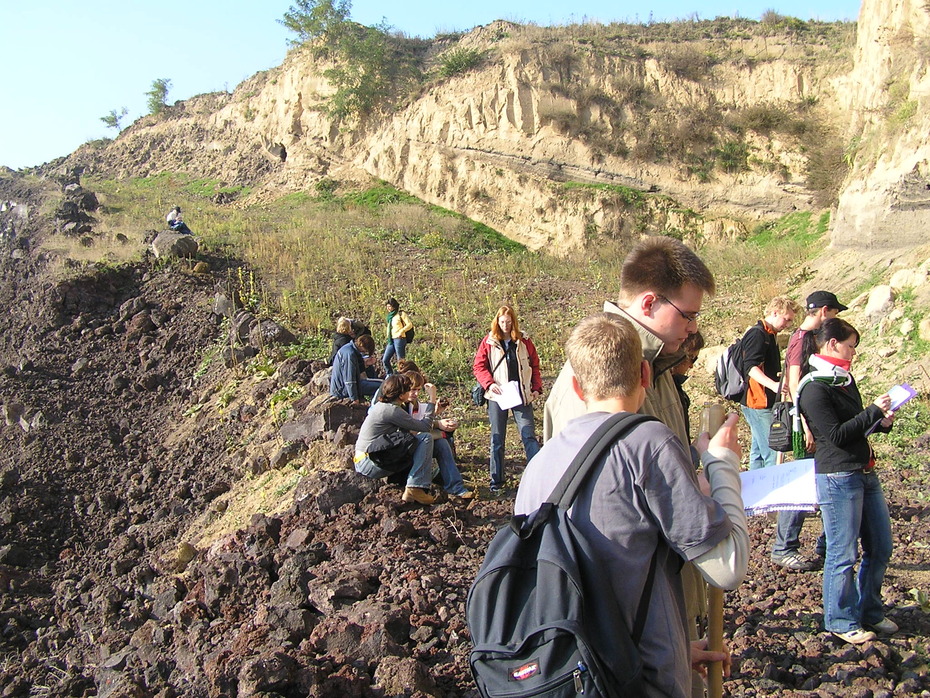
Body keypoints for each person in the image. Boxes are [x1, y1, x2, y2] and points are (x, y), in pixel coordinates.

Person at [516, 313, 749, 697]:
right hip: (643, 683)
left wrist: (676, 649)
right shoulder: (649, 444)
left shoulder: (538, 467)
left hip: (578, 676)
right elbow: (727, 568)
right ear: (645, 373)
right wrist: (723, 465)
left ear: (576, 387)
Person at [542, 236, 718, 697]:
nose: (693, 328)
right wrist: (644, 653)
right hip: (625, 646)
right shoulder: (597, 383)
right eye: (689, 313)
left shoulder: (657, 371)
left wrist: (676, 642)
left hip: (657, 620)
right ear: (649, 301)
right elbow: (595, 543)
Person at [796, 318, 896, 644]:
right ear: (832, 344)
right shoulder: (814, 388)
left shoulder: (843, 380)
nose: (853, 352)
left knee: (880, 546)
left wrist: (880, 421)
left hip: (864, 471)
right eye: (850, 345)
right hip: (838, 475)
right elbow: (836, 435)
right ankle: (840, 620)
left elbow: (855, 425)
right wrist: (871, 412)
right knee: (842, 553)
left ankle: (870, 611)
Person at [773, 290, 848, 571]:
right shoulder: (802, 340)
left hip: (817, 421)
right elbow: (793, 385)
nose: (836, 317)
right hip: (806, 423)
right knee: (802, 484)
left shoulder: (811, 339)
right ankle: (784, 546)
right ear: (824, 311)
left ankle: (825, 545)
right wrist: (803, 423)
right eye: (834, 312)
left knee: (818, 481)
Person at [472, 305, 542, 493]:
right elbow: (478, 366)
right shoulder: (488, 341)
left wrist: (536, 388)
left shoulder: (524, 340)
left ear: (514, 322)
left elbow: (534, 365)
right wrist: (488, 384)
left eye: (509, 322)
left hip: (521, 395)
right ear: (497, 322)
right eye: (502, 322)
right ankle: (496, 482)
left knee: (528, 435)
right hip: (498, 396)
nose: (506, 325)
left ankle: (538, 479)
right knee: (497, 439)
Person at [354, 374, 439, 505]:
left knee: (411, 442)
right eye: (408, 390)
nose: (411, 392)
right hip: (368, 463)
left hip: (365, 459)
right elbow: (425, 427)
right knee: (425, 439)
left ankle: (406, 485)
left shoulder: (383, 406)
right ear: (401, 395)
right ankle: (415, 487)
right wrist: (432, 400)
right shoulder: (392, 410)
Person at [738, 296, 799, 471]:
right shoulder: (758, 334)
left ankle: (754, 492)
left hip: (761, 402)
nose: (787, 324)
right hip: (757, 402)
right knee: (772, 451)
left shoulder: (769, 335)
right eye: (786, 319)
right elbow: (750, 367)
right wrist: (773, 385)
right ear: (774, 312)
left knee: (758, 450)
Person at [400, 369, 473, 499]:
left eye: (418, 390)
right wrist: (438, 424)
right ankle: (422, 485)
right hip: (401, 447)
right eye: (413, 390)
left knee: (442, 443)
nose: (416, 393)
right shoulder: (400, 406)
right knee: (437, 439)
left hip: (413, 442)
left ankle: (456, 487)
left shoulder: (412, 403)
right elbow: (414, 428)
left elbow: (422, 420)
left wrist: (436, 414)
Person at [329, 334, 382, 403]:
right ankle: (375, 407)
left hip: (343, 386)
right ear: (362, 345)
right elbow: (349, 379)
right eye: (365, 351)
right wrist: (354, 398)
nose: (364, 353)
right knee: (381, 386)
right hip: (342, 390)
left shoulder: (349, 348)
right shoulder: (349, 354)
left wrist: (366, 364)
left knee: (382, 383)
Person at [382, 297, 414, 375]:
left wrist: (401, 331)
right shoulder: (390, 316)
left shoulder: (401, 314)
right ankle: (389, 374)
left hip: (399, 339)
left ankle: (402, 375)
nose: (388, 308)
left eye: (389, 306)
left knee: (401, 360)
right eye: (387, 306)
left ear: (394, 306)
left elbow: (409, 324)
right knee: (385, 359)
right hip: (391, 340)